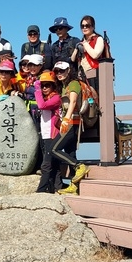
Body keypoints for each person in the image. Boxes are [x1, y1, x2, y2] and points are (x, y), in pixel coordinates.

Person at [49, 62, 90, 195]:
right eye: (57, 71)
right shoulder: (64, 86)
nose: (59, 74)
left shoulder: (73, 84)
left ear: (68, 71)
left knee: (54, 149)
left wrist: (65, 120)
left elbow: (72, 102)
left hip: (72, 121)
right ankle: (74, 187)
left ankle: (80, 166)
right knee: (70, 153)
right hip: (71, 121)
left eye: (62, 71)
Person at [34, 71, 63, 193]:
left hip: (53, 135)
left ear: (53, 86)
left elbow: (41, 105)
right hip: (46, 135)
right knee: (54, 163)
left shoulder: (56, 98)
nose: (44, 88)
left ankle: (41, 190)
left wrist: (37, 89)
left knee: (46, 164)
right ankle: (58, 187)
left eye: (47, 85)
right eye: (42, 85)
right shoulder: (46, 97)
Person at [72, 15, 107, 90]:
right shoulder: (81, 43)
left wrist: (85, 44)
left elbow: (95, 55)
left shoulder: (99, 39)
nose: (84, 28)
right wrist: (76, 48)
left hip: (96, 75)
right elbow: (72, 59)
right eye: (82, 26)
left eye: (87, 25)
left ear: (93, 27)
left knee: (99, 99)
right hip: (83, 76)